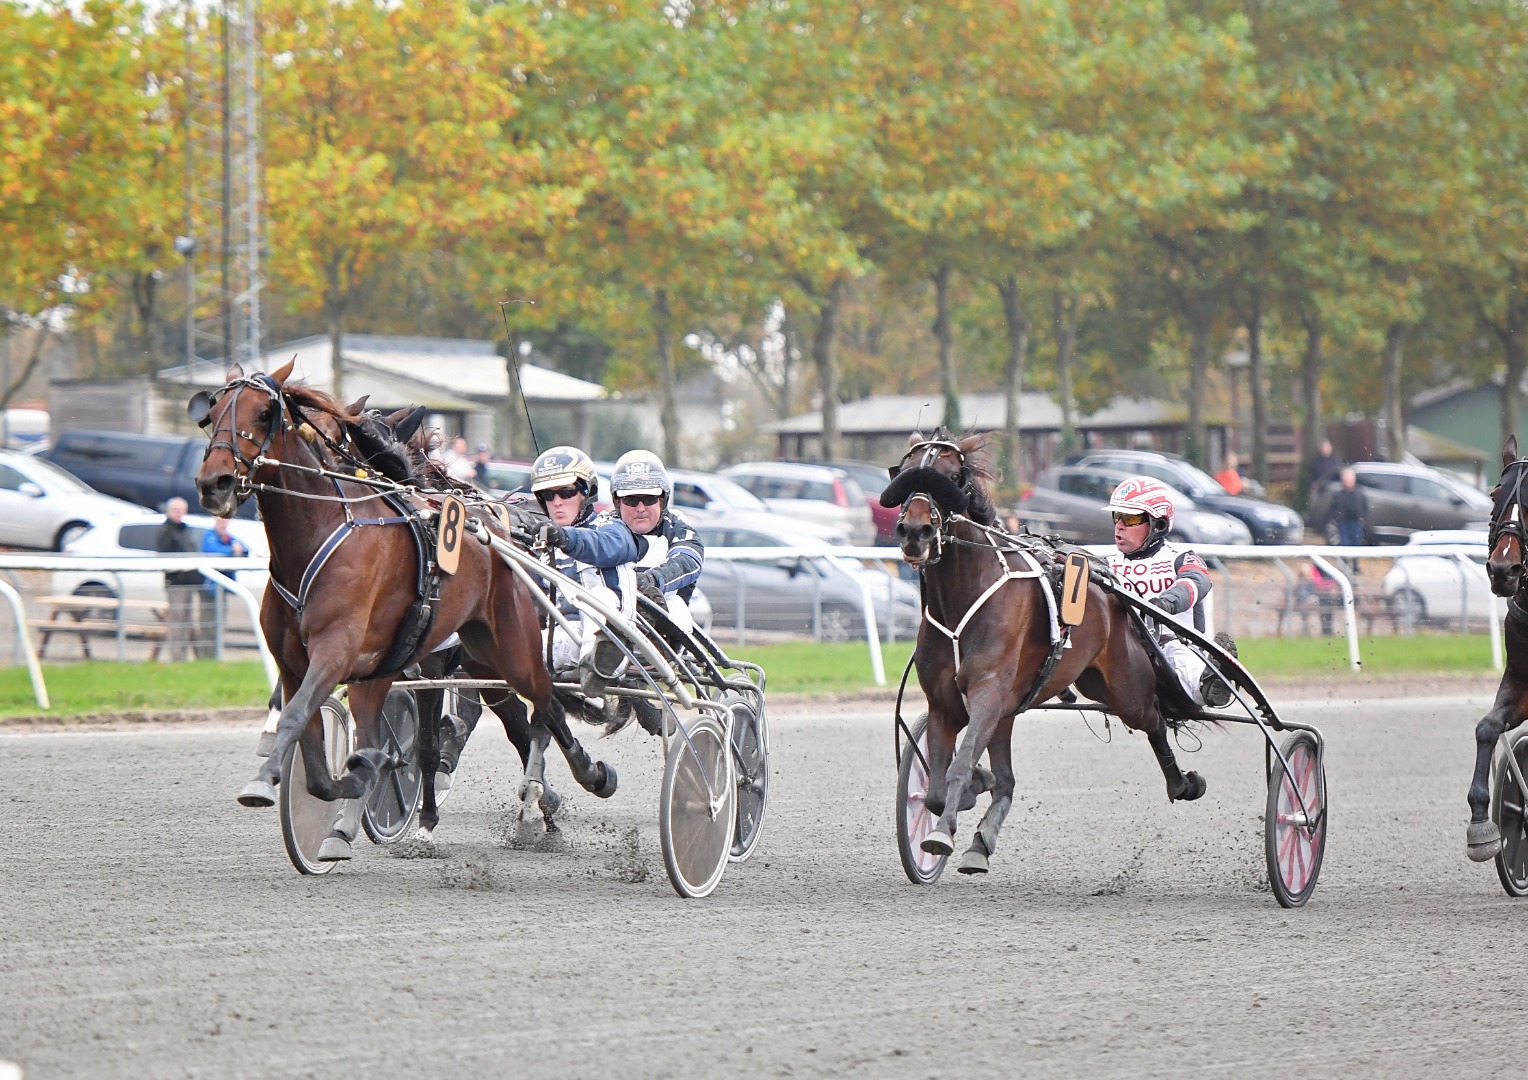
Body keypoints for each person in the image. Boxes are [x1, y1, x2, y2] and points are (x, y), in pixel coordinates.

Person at [1103, 477, 1238, 709]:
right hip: (1124, 647)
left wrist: (1165, 604)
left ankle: (1212, 682)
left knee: (1178, 658)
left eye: (1131, 518)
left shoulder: (1180, 556)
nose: (1120, 525)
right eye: (1117, 516)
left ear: (1159, 524)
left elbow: (1198, 581)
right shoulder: (1106, 564)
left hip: (1174, 642)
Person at [526, 446, 649, 697]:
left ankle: (597, 668)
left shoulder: (614, 528)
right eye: (548, 494)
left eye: (567, 491)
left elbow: (606, 548)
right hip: (562, 638)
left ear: (586, 491)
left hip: (617, 637)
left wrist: (565, 538)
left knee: (600, 596)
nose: (557, 501)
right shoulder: (542, 543)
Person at [155, 497, 202, 662]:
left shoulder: (186, 530)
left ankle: (184, 655)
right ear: (169, 511)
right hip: (175, 583)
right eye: (176, 510)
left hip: (188, 581)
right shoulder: (165, 531)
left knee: (187, 619)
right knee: (177, 618)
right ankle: (176, 656)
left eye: (182, 510)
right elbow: (165, 554)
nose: (179, 513)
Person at [198, 516, 248, 657]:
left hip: (223, 589)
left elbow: (244, 550)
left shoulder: (229, 538)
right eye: (221, 521)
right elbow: (213, 550)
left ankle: (214, 656)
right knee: (207, 625)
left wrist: (239, 551)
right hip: (209, 590)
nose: (223, 524)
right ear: (215, 521)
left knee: (219, 624)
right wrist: (232, 550)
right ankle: (204, 656)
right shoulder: (209, 536)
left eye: (226, 521)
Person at [1329, 466, 1368, 574]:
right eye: (1346, 479)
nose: (1348, 481)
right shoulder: (1338, 495)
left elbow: (1365, 508)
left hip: (1356, 523)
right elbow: (1333, 509)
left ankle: (1356, 566)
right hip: (1344, 523)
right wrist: (1338, 518)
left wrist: (1363, 518)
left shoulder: (1360, 494)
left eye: (1350, 479)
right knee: (1344, 544)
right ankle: (1345, 566)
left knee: (1356, 544)